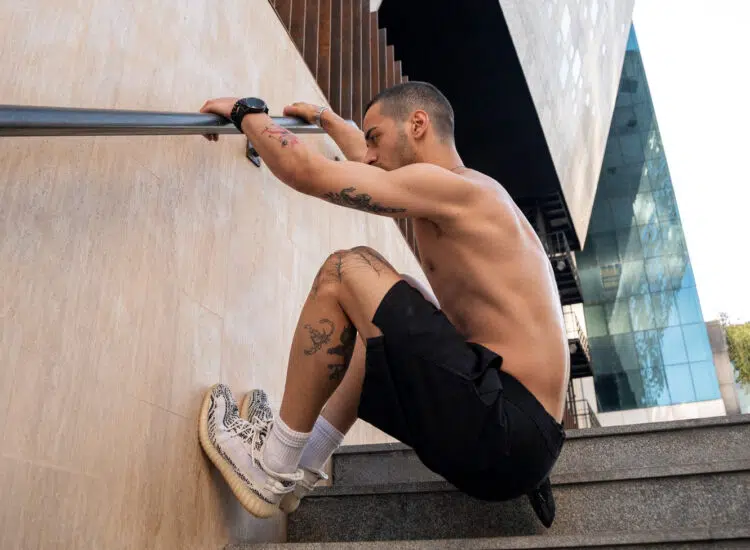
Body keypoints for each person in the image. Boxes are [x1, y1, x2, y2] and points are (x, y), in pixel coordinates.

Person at [197, 82, 569, 525]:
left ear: (417, 124)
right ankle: (300, 467)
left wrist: (245, 111)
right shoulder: (470, 191)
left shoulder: (454, 191)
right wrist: (327, 120)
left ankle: (272, 463)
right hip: (519, 436)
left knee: (347, 270)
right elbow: (375, 167)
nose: (369, 153)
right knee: (390, 305)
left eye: (376, 138)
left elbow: (309, 174)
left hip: (506, 428)